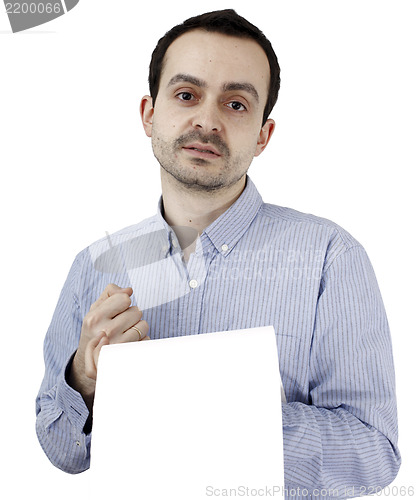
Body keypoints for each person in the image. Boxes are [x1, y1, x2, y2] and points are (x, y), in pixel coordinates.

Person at [36, 9, 401, 498]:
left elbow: (374, 452)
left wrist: (213, 415)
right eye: (187, 95)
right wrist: (83, 379)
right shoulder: (97, 262)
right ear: (149, 114)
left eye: (235, 104)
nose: (207, 120)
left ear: (263, 135)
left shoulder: (331, 258)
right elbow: (63, 452)